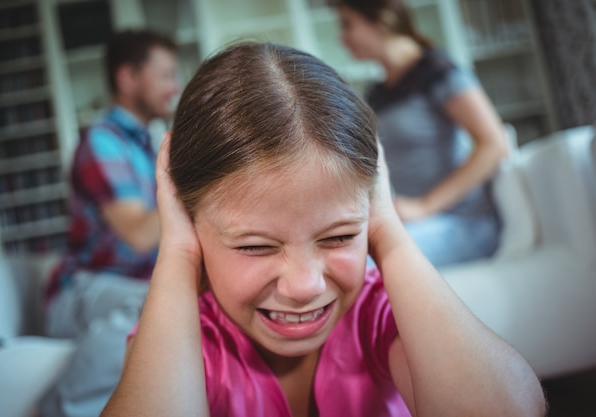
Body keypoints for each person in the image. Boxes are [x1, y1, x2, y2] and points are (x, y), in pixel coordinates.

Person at [100, 42, 545, 417]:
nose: (304, 286)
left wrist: (388, 232)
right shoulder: (184, 341)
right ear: (193, 228)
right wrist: (177, 252)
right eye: (256, 246)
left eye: (338, 237)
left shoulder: (378, 314)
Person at [40, 29, 181, 417]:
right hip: (82, 290)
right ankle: (56, 409)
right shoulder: (101, 141)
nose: (175, 86)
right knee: (154, 303)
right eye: (166, 74)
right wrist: (200, 184)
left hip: (123, 284)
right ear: (127, 78)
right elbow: (138, 234)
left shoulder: (147, 143)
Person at [331, 0, 508, 267]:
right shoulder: (377, 93)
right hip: (410, 222)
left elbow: (494, 144)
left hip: (462, 222)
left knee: (356, 266)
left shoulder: (436, 72)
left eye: (348, 25)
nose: (342, 38)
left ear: (381, 20)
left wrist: (424, 206)